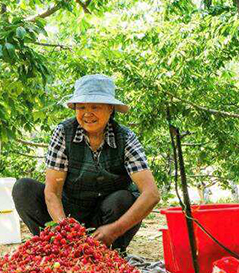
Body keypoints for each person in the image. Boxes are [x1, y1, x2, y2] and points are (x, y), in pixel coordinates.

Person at [12, 74, 160, 253]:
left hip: (107, 219)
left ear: (110, 109)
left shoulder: (125, 138)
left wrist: (114, 230)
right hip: (70, 213)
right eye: (81, 107)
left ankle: (111, 252)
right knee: (23, 189)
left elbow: (151, 194)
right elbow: (52, 192)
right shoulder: (63, 133)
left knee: (123, 199)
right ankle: (58, 250)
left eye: (95, 107)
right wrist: (65, 230)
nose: (87, 113)